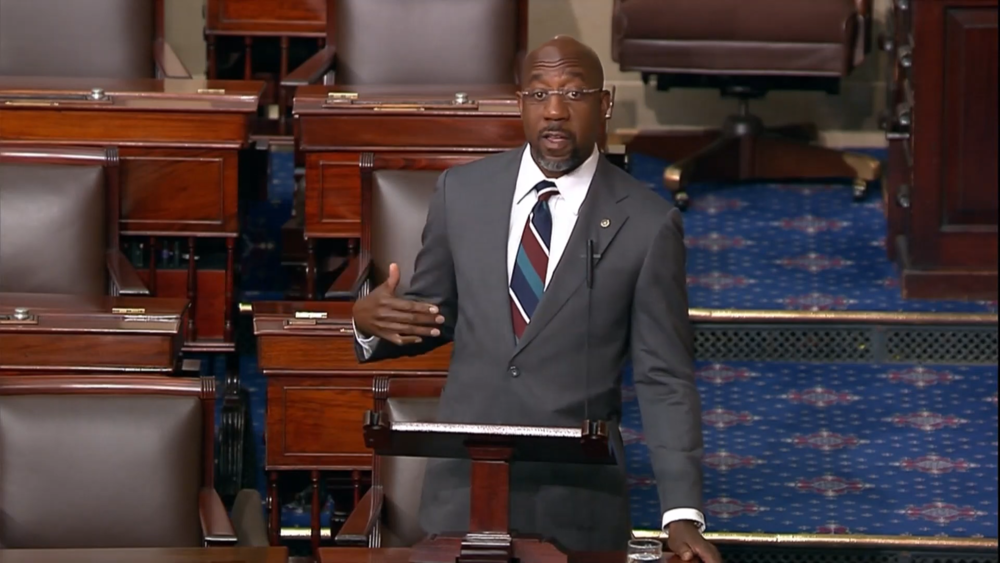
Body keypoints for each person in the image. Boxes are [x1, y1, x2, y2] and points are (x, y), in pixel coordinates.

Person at [351, 36, 721, 563]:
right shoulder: (462, 192)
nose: (554, 110)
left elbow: (664, 377)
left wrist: (681, 515)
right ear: (519, 101)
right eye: (539, 94)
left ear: (605, 103)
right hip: (464, 493)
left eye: (574, 93)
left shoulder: (647, 223)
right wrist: (369, 322)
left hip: (577, 500)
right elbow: (430, 316)